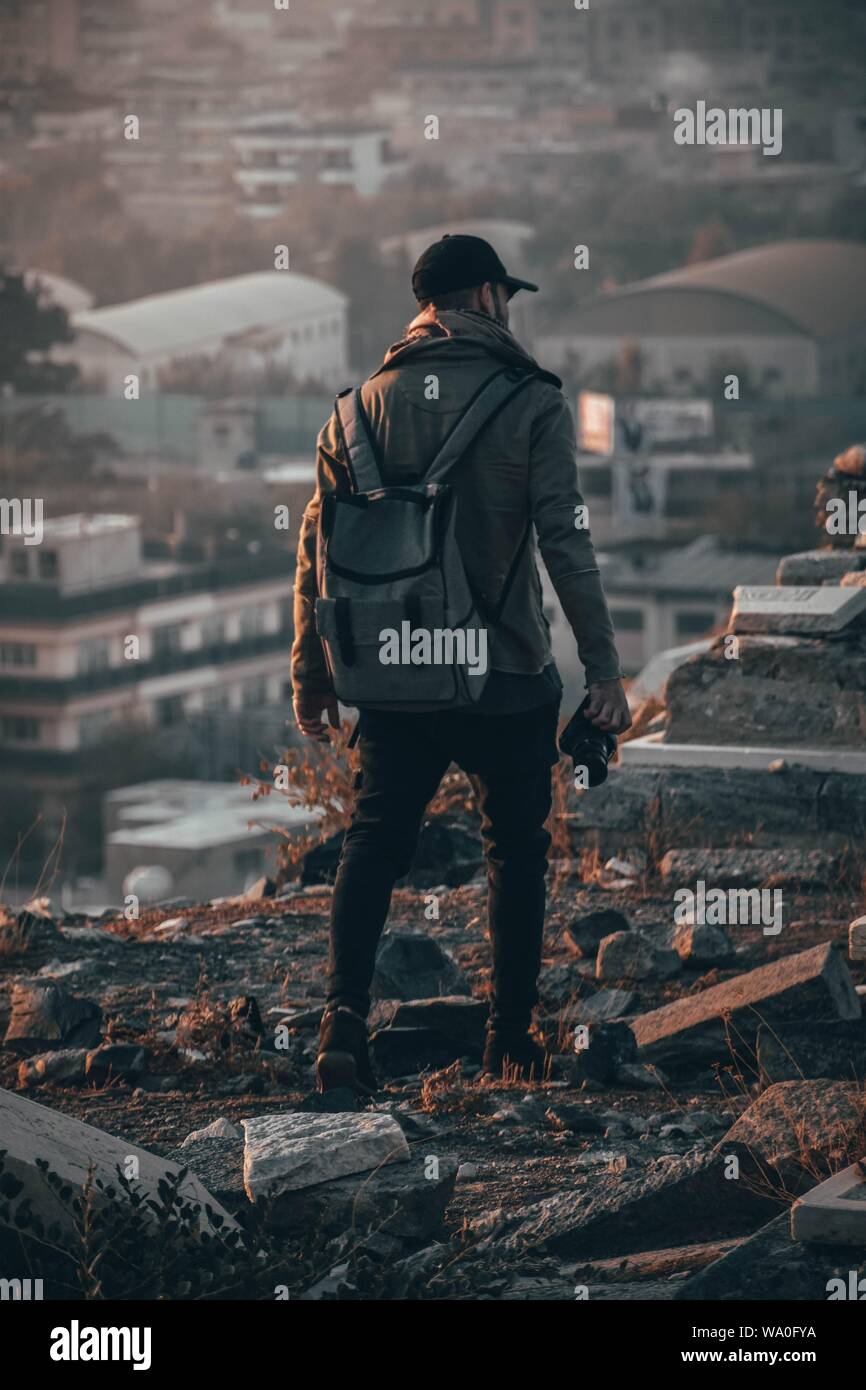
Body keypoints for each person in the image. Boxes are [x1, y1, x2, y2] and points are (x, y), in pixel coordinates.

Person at [291, 234, 631, 1090]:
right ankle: (509, 1043)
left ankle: (343, 1026)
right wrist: (605, 671)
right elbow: (566, 540)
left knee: (373, 844)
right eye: (505, 298)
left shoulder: (354, 409)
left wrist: (313, 672)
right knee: (517, 852)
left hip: (394, 673)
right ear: (484, 297)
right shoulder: (531, 401)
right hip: (506, 673)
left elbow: (315, 545)